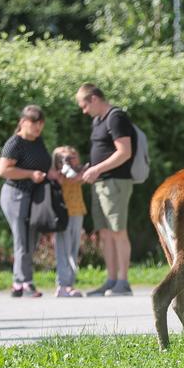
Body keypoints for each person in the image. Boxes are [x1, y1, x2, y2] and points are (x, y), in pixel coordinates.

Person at [75, 84, 134, 296]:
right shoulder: (97, 120)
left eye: (84, 105)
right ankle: (111, 280)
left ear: (94, 99)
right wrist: (88, 170)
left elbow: (125, 152)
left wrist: (97, 169)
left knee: (118, 231)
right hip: (100, 183)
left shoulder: (116, 117)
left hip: (115, 183)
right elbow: (103, 151)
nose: (83, 110)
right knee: (105, 233)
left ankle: (123, 282)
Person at [0, 105, 55, 298]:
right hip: (15, 194)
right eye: (34, 123)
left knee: (31, 238)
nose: (38, 127)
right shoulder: (15, 143)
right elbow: (3, 170)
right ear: (23, 122)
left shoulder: (38, 142)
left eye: (41, 123)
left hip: (33, 196)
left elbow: (45, 165)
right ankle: (24, 282)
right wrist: (30, 174)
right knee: (22, 238)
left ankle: (20, 281)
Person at [52, 146, 86, 297]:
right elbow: (64, 178)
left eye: (72, 157)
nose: (69, 161)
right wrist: (63, 167)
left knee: (73, 250)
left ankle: (69, 284)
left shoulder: (79, 172)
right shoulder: (57, 174)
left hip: (78, 212)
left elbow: (82, 177)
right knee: (63, 249)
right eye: (64, 158)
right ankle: (62, 284)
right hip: (63, 214)